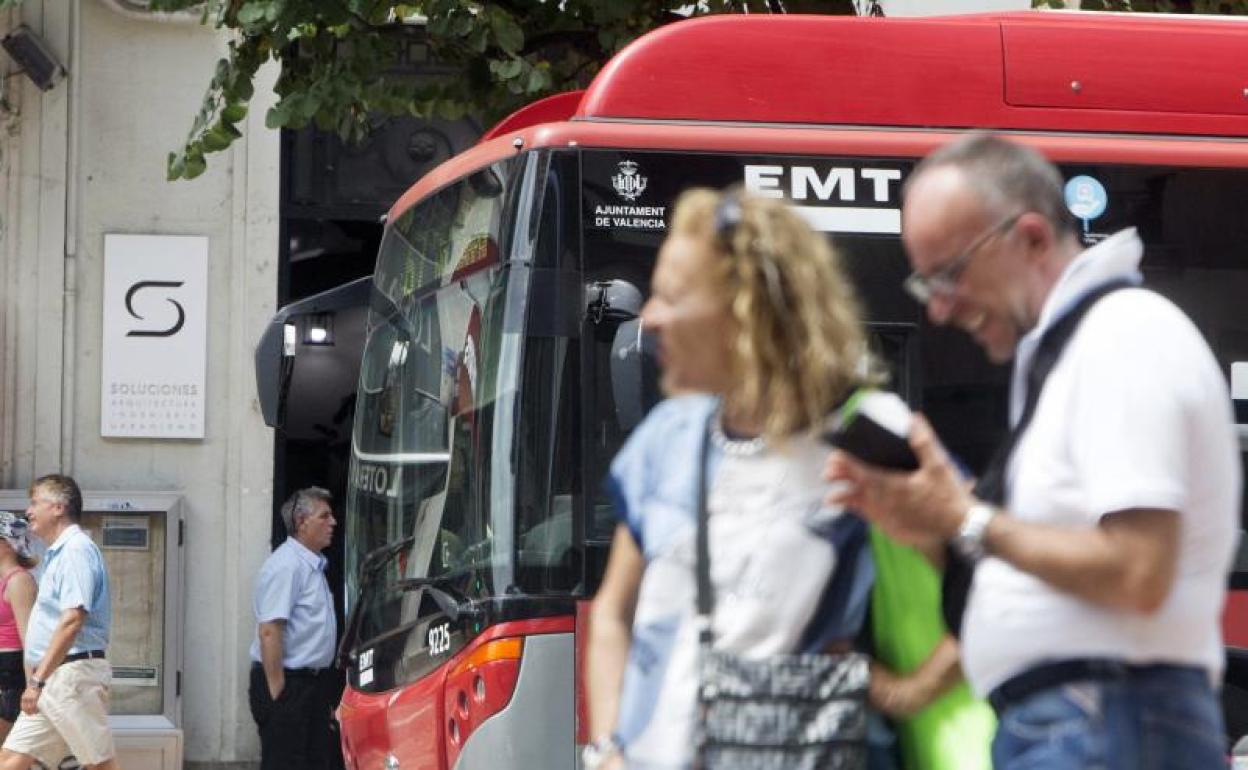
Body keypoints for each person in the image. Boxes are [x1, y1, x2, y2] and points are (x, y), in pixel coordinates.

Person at [826, 133, 1238, 768]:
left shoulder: (1122, 335)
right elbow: (1057, 565)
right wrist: (942, 527)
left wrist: (966, 519)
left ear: (1033, 238)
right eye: (925, 284)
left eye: (949, 274)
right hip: (1080, 719)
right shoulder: (1075, 354)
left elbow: (1137, 571)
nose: (938, 309)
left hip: (1099, 719)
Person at [586, 188, 874, 770]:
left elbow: (965, 597)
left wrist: (903, 690)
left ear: (743, 310)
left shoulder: (863, 439)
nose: (651, 317)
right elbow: (613, 612)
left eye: (672, 295)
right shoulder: (665, 441)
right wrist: (608, 749)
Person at [0, 475, 118, 770]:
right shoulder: (60, 554)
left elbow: (72, 619)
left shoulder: (76, 550)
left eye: (35, 502)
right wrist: (38, 679)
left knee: (99, 764)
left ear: (58, 507)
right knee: (11, 758)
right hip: (53, 678)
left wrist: (37, 679)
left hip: (71, 676)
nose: (29, 512)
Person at [248, 487, 339, 770]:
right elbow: (269, 630)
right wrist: (279, 693)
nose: (333, 522)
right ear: (301, 522)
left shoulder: (311, 566)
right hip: (289, 683)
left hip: (311, 684)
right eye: (324, 516)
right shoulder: (287, 565)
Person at [0, 513, 37, 746]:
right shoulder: (4, 579)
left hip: (9, 676)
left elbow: (29, 638)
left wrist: (33, 687)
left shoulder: (19, 581)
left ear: (6, 544)